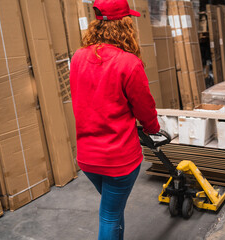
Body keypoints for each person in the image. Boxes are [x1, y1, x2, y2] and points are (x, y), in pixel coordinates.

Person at [69, 0, 160, 239]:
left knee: (113, 210)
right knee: (109, 215)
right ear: (126, 23)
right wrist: (153, 128)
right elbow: (144, 107)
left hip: (87, 158)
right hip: (119, 159)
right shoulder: (128, 63)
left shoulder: (78, 57)